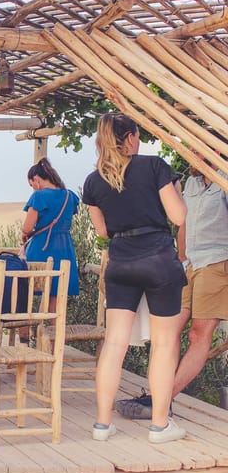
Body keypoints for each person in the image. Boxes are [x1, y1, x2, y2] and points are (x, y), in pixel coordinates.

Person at [82, 113, 187, 444]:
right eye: (137, 136)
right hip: (157, 258)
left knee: (115, 343)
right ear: (129, 138)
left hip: (120, 262)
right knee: (165, 343)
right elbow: (179, 216)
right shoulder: (154, 166)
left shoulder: (93, 181)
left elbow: (101, 231)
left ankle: (102, 424)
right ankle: (159, 426)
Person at [116, 154, 228, 419]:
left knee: (198, 335)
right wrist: (180, 258)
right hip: (190, 263)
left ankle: (161, 400)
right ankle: (160, 396)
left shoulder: (224, 181)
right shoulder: (191, 183)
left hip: (218, 262)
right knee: (167, 330)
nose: (196, 159)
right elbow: (184, 223)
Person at [21, 158, 80, 312]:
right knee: (56, 292)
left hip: (42, 247)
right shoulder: (69, 196)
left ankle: (28, 331)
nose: (33, 188)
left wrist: (24, 235)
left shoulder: (39, 197)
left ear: (36, 179)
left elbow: (27, 228)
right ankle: (54, 332)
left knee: (25, 288)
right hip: (65, 247)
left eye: (31, 184)